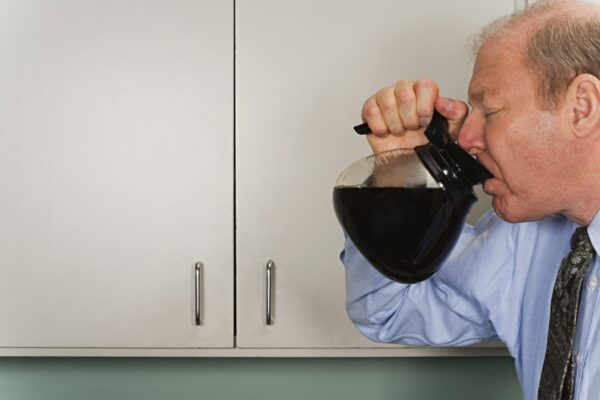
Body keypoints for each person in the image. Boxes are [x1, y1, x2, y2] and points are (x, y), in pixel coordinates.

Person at [340, 1, 600, 399]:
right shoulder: (523, 238)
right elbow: (386, 312)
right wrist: (403, 176)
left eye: (490, 109)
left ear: (582, 108)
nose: (465, 138)